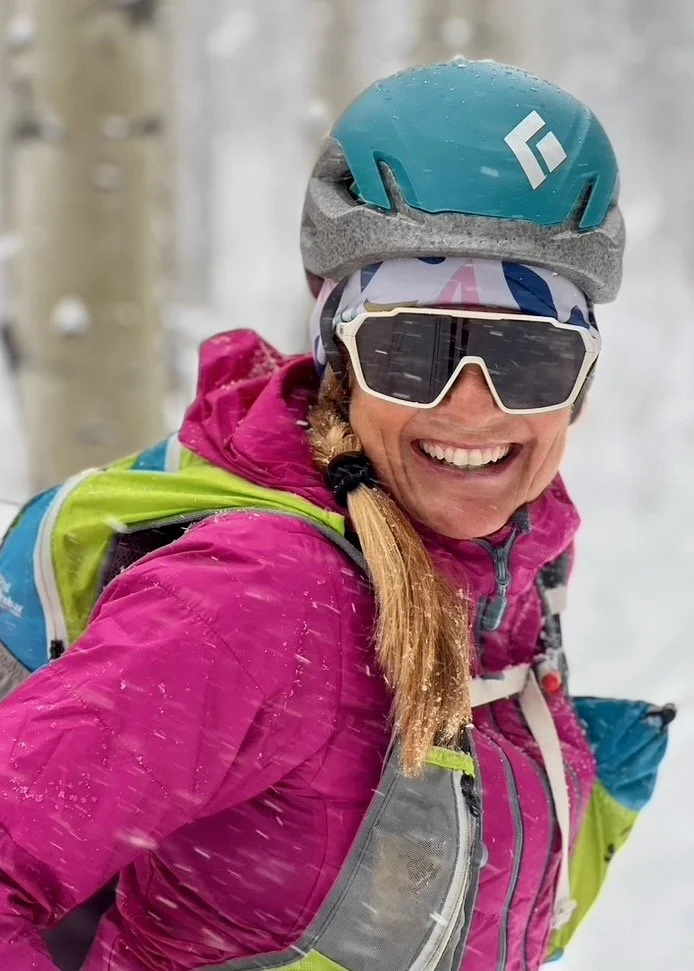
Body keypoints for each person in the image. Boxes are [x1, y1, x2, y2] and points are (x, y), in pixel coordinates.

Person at [0, 59, 673, 971]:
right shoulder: (262, 599)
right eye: (412, 349)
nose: (473, 409)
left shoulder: (511, 583)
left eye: (531, 360)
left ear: (581, 386)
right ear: (338, 363)